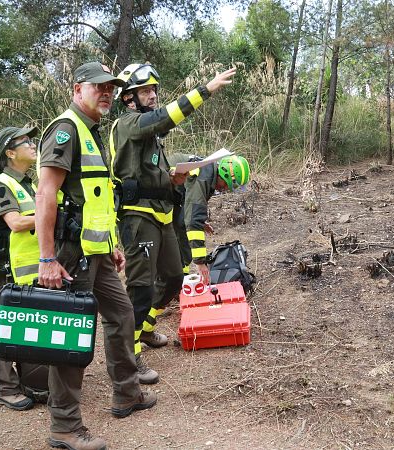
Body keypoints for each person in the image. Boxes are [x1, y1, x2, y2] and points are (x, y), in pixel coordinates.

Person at [35, 62, 155, 450]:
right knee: (71, 337)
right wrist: (47, 258)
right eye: (97, 86)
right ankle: (65, 427)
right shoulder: (66, 130)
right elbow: (46, 194)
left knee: (121, 316)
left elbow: (95, 201)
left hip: (98, 253)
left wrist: (112, 246)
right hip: (70, 256)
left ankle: (126, 393)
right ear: (77, 89)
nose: (105, 92)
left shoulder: (92, 132)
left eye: (111, 87)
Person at [109, 62, 236, 381]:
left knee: (173, 277)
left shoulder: (150, 137)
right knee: (139, 287)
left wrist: (173, 181)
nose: (152, 96)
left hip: (161, 213)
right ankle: (130, 354)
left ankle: (145, 330)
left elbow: (153, 174)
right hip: (138, 217)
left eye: (154, 90)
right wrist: (205, 90)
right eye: (144, 91)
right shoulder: (128, 124)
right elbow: (162, 117)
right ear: (128, 99)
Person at [0, 125, 40, 411]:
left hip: (28, 270)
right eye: (25, 141)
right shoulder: (1, 185)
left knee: (28, 325)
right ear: (9, 152)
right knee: (6, 327)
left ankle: (31, 380)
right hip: (7, 270)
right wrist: (50, 213)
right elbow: (16, 223)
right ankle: (4, 388)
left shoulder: (29, 183)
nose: (33, 144)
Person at [175, 154, 252, 285]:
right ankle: (175, 282)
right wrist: (200, 262)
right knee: (176, 237)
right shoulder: (203, 178)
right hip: (153, 199)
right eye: (228, 185)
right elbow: (193, 221)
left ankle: (181, 281)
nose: (226, 189)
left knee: (183, 227)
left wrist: (201, 222)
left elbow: (190, 206)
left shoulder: (208, 172)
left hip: (172, 200)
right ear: (225, 175)